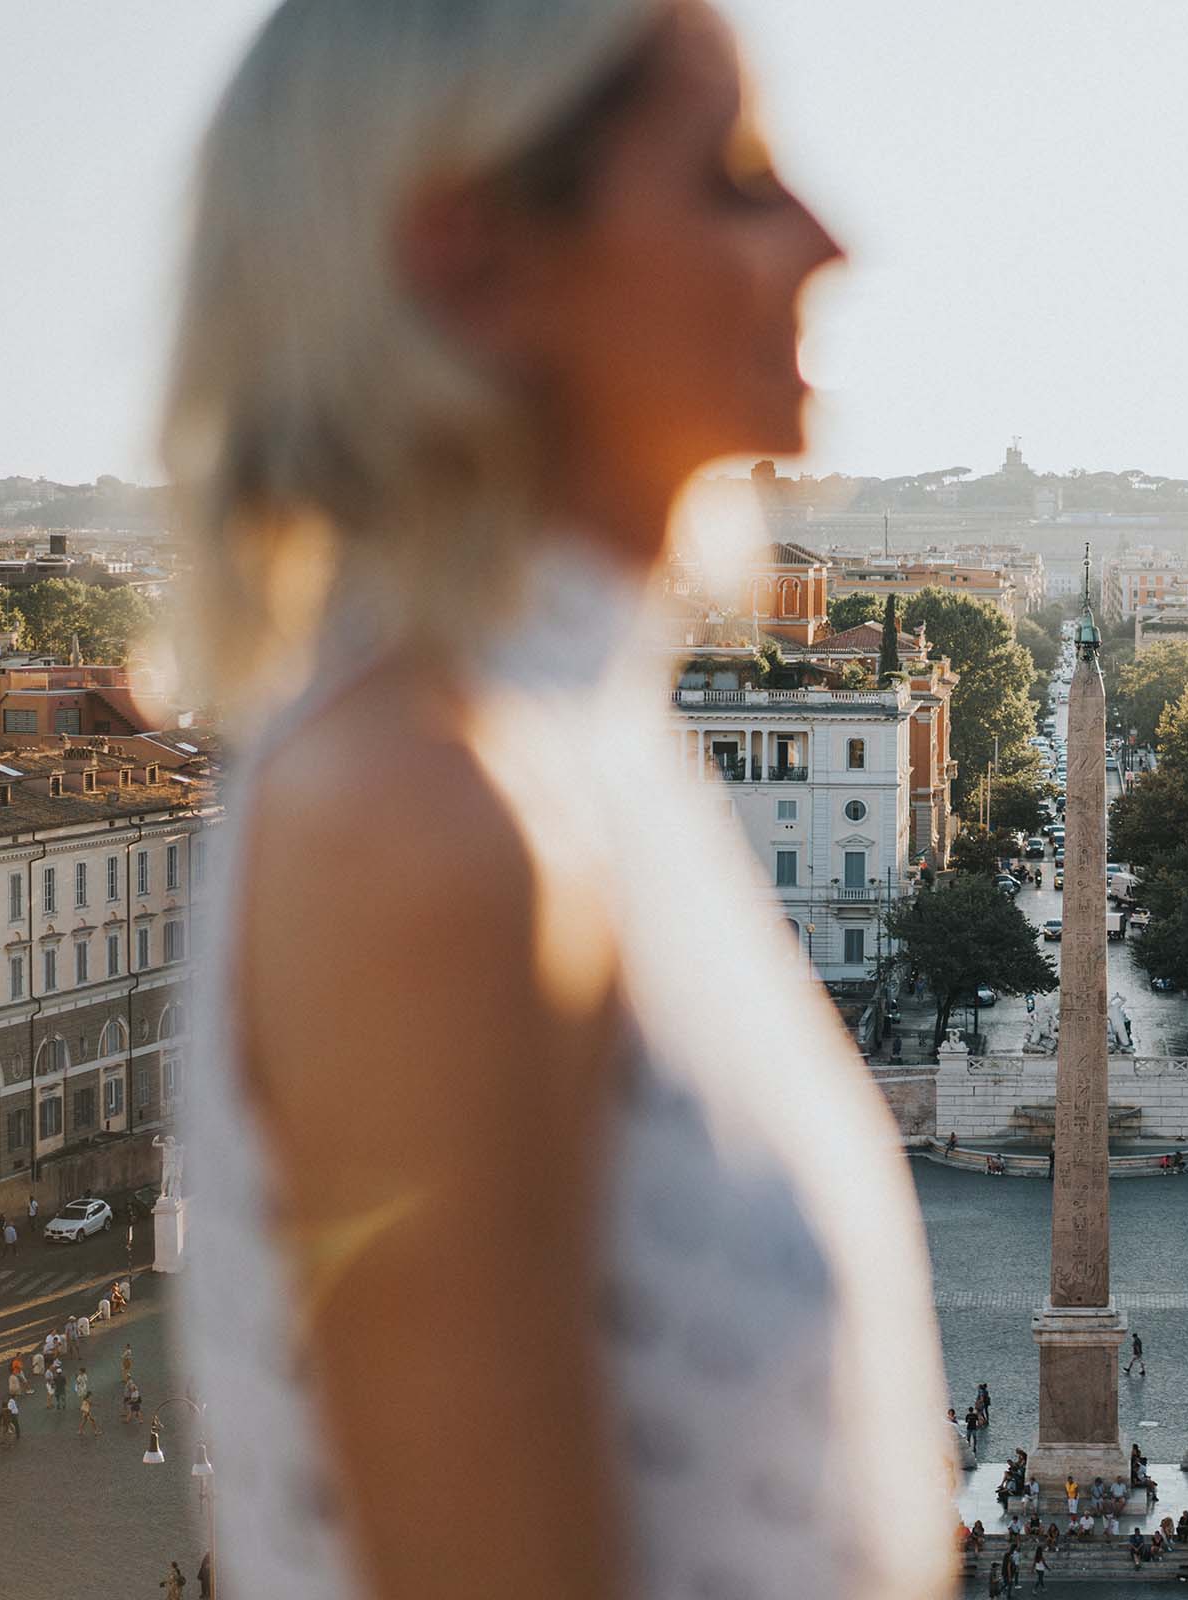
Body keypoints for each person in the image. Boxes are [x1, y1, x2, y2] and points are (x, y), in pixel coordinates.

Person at [162, 5, 953, 1599]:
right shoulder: (420, 815)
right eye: (735, 179)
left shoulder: (564, 743)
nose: (830, 240)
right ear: (478, 261)